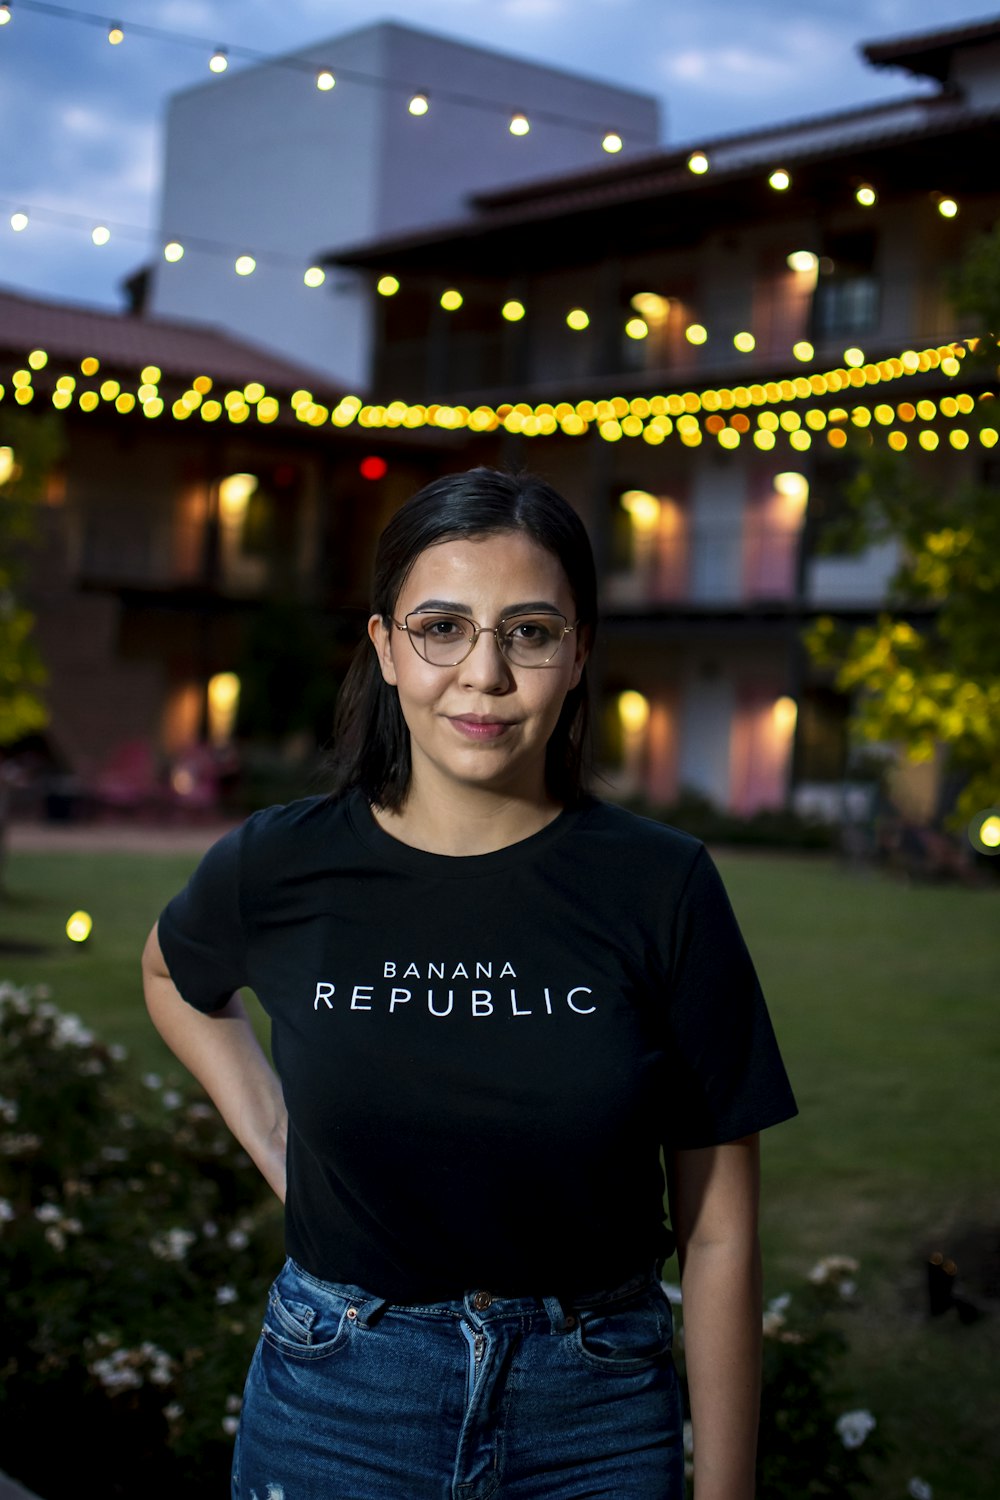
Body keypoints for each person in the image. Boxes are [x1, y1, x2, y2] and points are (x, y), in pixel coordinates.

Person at [142, 467, 797, 1500]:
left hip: (597, 1403)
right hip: (338, 1397)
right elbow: (171, 974)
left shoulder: (660, 885)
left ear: (578, 653)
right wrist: (278, 1144)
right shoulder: (281, 863)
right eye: (441, 627)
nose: (482, 675)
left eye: (529, 632)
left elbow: (717, 1233)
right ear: (385, 648)